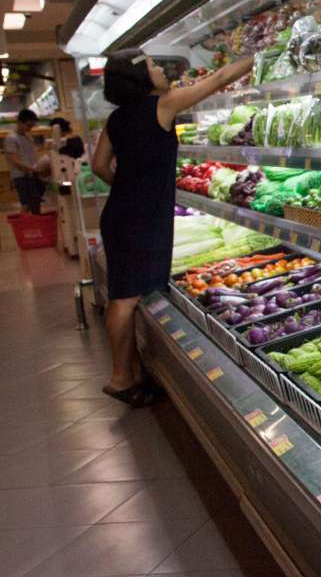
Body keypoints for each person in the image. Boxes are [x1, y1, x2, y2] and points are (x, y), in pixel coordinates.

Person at [91, 50, 254, 405]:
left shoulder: (116, 119)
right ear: (140, 78)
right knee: (125, 298)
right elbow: (219, 79)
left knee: (124, 293)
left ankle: (131, 373)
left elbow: (99, 165)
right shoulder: (161, 106)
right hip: (142, 218)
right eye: (151, 65)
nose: (160, 68)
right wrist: (257, 58)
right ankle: (120, 378)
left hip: (122, 212)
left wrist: (129, 185)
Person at [4, 108, 44, 214]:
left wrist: (37, 167)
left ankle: (37, 224)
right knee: (26, 204)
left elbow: (31, 156)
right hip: (20, 176)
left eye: (32, 125)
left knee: (36, 202)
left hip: (30, 174)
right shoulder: (11, 138)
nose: (30, 128)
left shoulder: (28, 137)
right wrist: (33, 169)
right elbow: (15, 160)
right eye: (28, 125)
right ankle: (21, 226)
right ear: (19, 122)